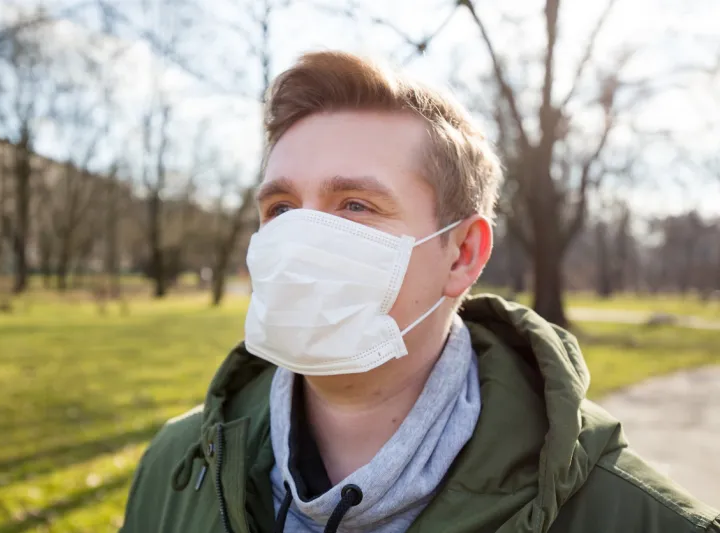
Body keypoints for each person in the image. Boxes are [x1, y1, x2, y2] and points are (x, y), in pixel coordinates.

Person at [119, 51, 719, 533]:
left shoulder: (635, 516)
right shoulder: (176, 466)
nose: (297, 238)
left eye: (354, 204)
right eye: (280, 207)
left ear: (462, 255)